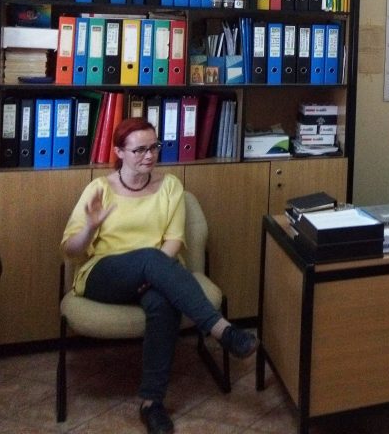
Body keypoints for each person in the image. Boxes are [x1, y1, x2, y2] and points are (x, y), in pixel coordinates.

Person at [61, 118, 258, 434]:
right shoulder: (99, 189)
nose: (149, 155)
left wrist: (151, 275)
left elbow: (174, 241)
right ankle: (222, 330)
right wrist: (89, 227)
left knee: (162, 302)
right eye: (139, 149)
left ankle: (151, 402)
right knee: (150, 258)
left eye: (154, 147)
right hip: (104, 275)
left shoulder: (170, 186)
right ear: (119, 152)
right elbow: (71, 250)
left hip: (157, 275)